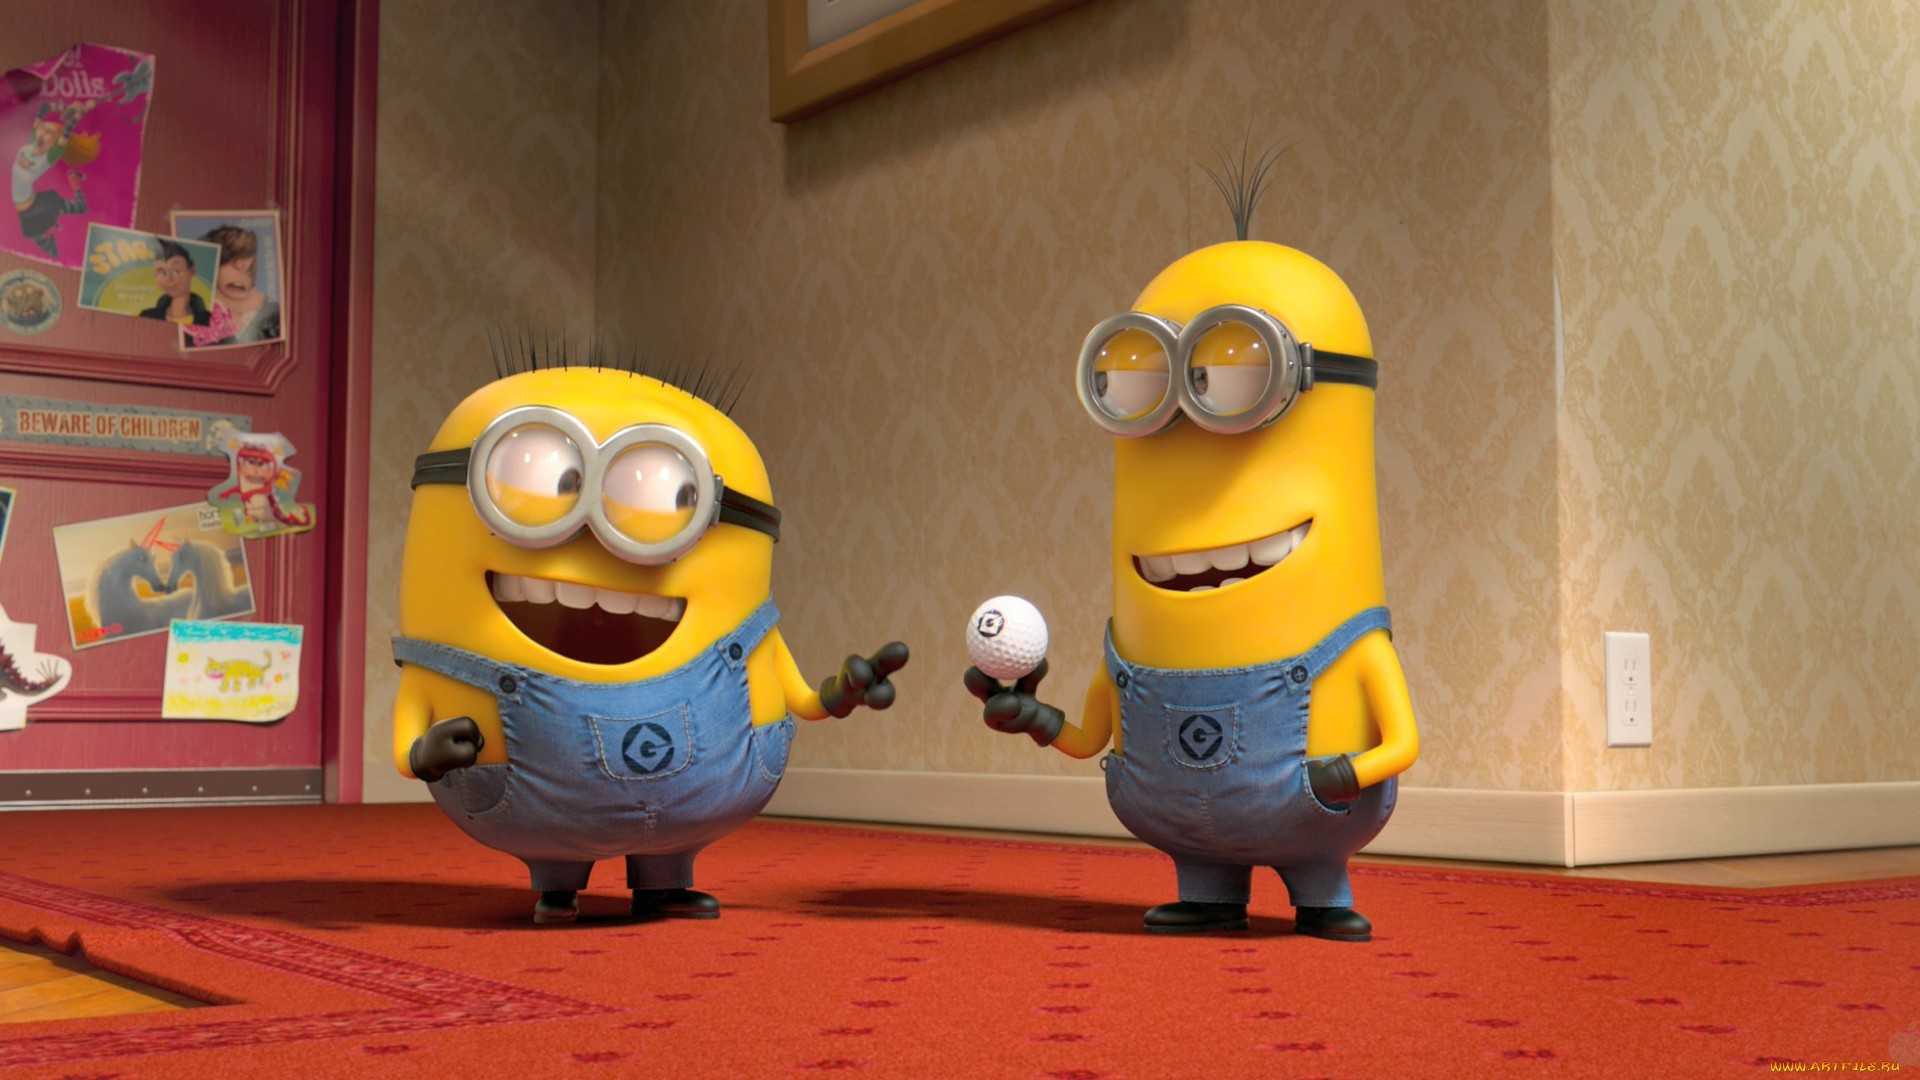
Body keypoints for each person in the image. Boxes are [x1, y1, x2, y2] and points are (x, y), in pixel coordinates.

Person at [11, 99, 92, 261]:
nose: (44, 132)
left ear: (53, 144)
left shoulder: (48, 158)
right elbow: (43, 108)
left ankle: (75, 182)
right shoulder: (30, 144)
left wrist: (77, 115)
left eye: (49, 133)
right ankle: (74, 180)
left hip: (36, 207)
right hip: (30, 207)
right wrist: (62, 107)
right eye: (44, 128)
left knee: (76, 207)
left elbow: (66, 134)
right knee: (39, 237)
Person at [185, 224, 280, 347]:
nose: (241, 272)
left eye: (248, 267)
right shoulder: (193, 314)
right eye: (230, 261)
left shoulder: (275, 313)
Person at [138, 238, 211, 327]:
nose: (169, 279)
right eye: (162, 272)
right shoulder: (147, 316)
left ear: (192, 270)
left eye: (176, 271)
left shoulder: (209, 320)